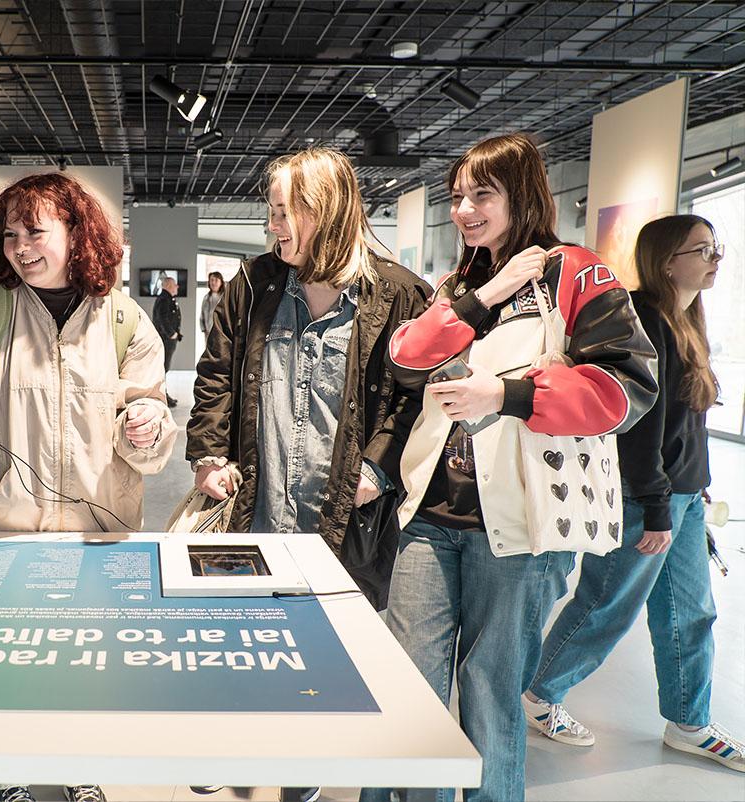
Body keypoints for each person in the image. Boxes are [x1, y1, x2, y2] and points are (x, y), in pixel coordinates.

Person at [363, 133, 657, 802]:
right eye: (458, 196)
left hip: (520, 528)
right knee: (411, 691)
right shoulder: (463, 282)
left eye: (481, 194)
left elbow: (627, 389)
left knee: (492, 697)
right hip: (427, 518)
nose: (465, 209)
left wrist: (509, 395)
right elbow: (407, 359)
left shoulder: (578, 273)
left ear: (520, 194)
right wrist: (484, 292)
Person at [0, 172, 175, 802]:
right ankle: (11, 774)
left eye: (36, 230)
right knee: (7, 666)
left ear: (76, 231)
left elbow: (152, 431)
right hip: (4, 541)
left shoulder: (124, 321)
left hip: (98, 542)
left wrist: (145, 432)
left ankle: (81, 766)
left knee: (88, 664)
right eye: (8, 233)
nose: (20, 246)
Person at [185, 146, 431, 802]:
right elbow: (216, 376)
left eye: (287, 212)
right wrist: (210, 454)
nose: (276, 227)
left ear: (329, 211)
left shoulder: (400, 293)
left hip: (341, 512)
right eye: (271, 213)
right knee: (237, 629)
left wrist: (380, 465)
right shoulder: (254, 283)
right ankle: (230, 743)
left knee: (322, 641)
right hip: (256, 504)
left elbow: (417, 398)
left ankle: (305, 759)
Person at [524, 215, 742, 771]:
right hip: (650, 494)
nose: (715, 258)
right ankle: (538, 695)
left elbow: (684, 425)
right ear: (668, 259)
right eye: (702, 249)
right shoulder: (644, 317)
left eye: (716, 248)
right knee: (607, 604)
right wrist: (655, 505)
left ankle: (689, 721)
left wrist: (693, 493)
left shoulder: (687, 318)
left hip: (684, 495)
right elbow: (640, 428)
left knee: (692, 613)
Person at [152, 274, 182, 407]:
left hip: (167, 340)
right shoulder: (164, 299)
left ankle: (163, 395)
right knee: (162, 369)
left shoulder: (167, 298)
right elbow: (162, 318)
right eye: (175, 284)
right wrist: (171, 334)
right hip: (165, 340)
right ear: (169, 285)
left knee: (164, 369)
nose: (177, 287)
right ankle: (162, 396)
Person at [200, 270, 224, 337]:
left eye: (216, 280)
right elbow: (202, 315)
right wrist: (204, 330)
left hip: (221, 334)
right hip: (208, 333)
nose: (213, 282)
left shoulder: (225, 297)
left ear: (221, 282)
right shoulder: (206, 298)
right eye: (212, 280)